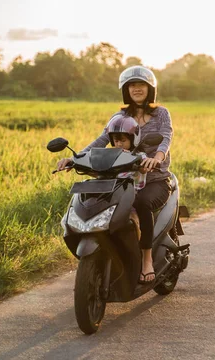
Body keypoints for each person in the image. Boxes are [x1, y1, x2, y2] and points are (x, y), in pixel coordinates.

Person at [57, 65, 173, 284]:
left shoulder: (161, 114)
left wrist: (156, 159)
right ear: (125, 90)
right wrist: (76, 158)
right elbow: (101, 141)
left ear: (150, 89)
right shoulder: (119, 116)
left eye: (141, 85)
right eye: (132, 86)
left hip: (154, 179)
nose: (137, 89)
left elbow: (165, 138)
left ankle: (146, 258)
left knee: (141, 203)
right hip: (123, 177)